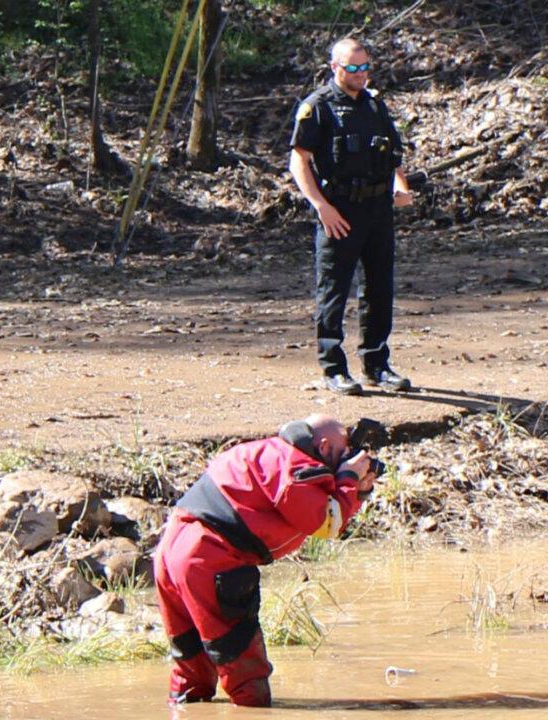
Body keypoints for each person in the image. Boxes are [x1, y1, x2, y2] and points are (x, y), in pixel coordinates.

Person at [153, 414, 376, 706]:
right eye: (345, 449)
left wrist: (356, 489)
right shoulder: (297, 466)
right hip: (209, 559)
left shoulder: (264, 452)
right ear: (322, 446)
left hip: (170, 552)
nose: (350, 457)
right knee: (244, 669)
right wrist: (348, 478)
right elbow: (326, 522)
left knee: (190, 667)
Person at [289, 37, 414, 396]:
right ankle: (333, 367)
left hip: (377, 210)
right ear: (334, 67)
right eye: (352, 68)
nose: (360, 75)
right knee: (334, 291)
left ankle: (377, 363)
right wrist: (321, 206)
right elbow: (299, 160)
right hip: (339, 210)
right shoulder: (318, 107)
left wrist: (400, 187)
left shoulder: (375, 106)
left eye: (365, 67)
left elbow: (393, 156)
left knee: (379, 288)